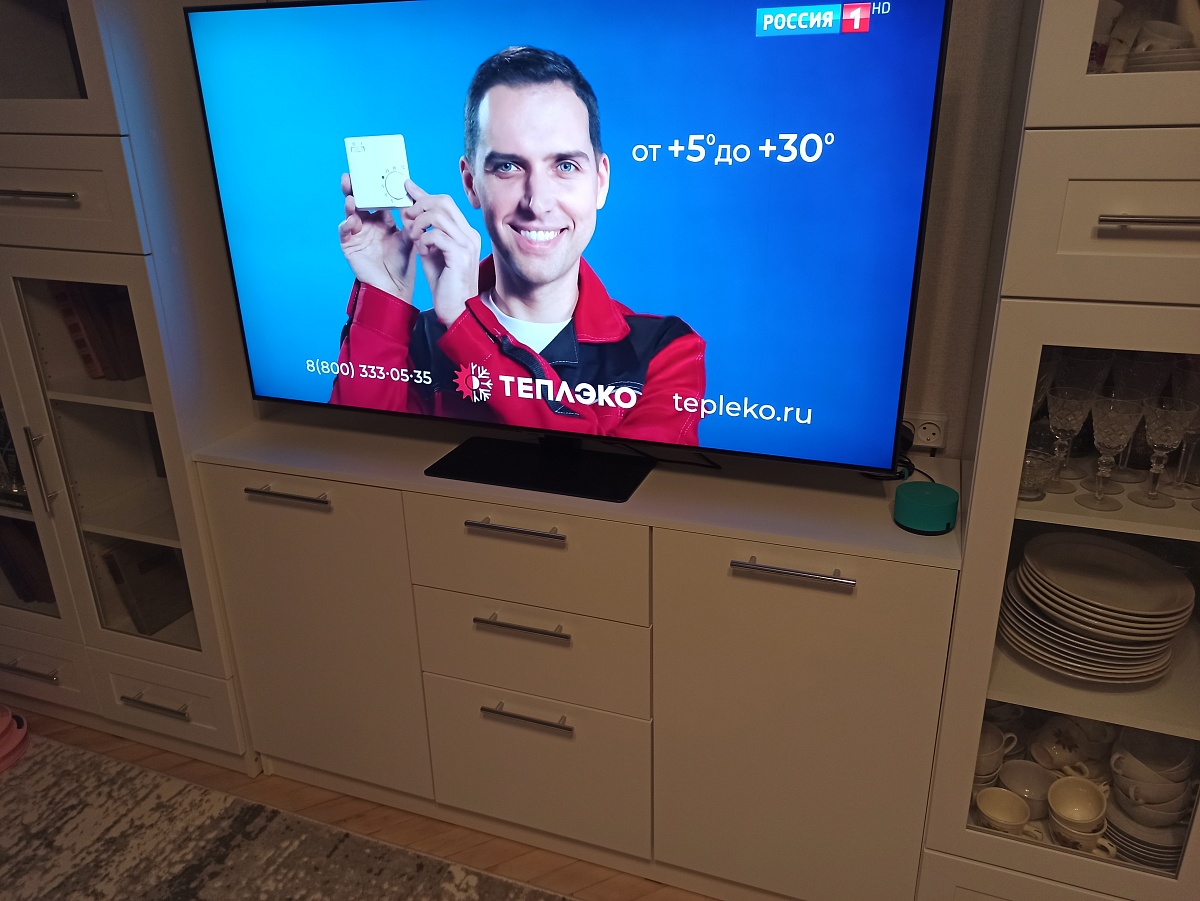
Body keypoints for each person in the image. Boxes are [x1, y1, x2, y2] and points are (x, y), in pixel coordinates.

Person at [330, 46, 706, 444]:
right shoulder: (414, 340)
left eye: (565, 166)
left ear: (600, 181)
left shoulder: (666, 350)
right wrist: (385, 297)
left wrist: (467, 326)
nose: (537, 203)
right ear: (471, 183)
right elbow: (359, 460)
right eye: (508, 167)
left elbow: (612, 472)